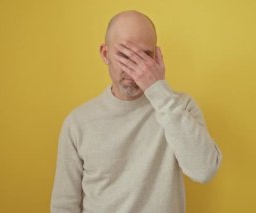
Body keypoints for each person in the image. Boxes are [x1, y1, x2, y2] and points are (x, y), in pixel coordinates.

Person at [50, 10, 222, 213]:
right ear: (105, 54)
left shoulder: (179, 107)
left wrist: (159, 92)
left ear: (157, 57)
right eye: (124, 55)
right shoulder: (78, 122)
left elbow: (204, 171)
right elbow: (64, 205)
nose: (134, 67)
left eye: (144, 56)